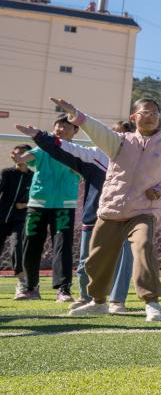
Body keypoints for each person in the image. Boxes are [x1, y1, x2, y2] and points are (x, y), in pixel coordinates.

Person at [55, 97, 161, 322]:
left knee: (144, 246)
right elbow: (97, 130)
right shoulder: (120, 141)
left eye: (155, 113)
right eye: (145, 112)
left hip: (144, 210)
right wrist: (76, 113)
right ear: (134, 117)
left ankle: (152, 302)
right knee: (97, 258)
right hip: (112, 209)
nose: (151, 116)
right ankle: (98, 302)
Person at [15, 123, 135, 313]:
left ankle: (110, 299)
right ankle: (39, 288)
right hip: (52, 206)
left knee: (117, 258)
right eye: (114, 132)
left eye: (122, 133)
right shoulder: (89, 152)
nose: (117, 135)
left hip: (76, 207)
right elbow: (32, 158)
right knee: (80, 258)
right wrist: (33, 142)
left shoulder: (134, 159)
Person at [15, 115, 82, 303]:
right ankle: (30, 287)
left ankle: (63, 289)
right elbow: (26, 159)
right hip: (38, 204)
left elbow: (84, 170)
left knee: (62, 246)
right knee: (30, 244)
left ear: (75, 131)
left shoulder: (77, 151)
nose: (60, 128)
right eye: (58, 125)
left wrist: (78, 169)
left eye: (66, 126)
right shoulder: (43, 148)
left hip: (64, 205)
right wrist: (21, 156)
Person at [0, 145, 32, 295]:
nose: (16, 156)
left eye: (20, 153)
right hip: (1, 218)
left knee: (17, 246)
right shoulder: (7, 173)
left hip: (19, 220)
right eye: (15, 153)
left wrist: (24, 205)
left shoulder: (33, 177)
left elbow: (37, 199)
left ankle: (21, 283)